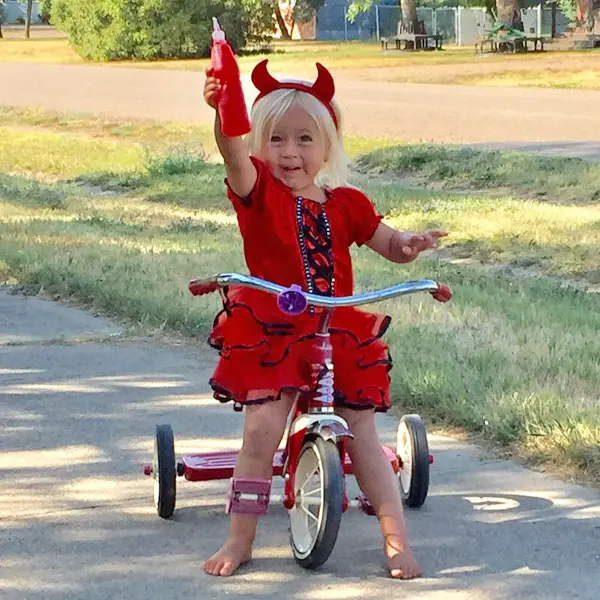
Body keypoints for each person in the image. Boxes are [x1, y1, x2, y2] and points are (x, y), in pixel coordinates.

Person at [202, 58, 447, 579]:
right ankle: (240, 538)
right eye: (276, 140)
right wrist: (225, 113)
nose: (290, 152)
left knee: (361, 427)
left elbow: (389, 245)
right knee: (263, 429)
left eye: (305, 140)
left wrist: (409, 246)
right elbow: (232, 155)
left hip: (336, 328)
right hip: (273, 328)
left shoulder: (347, 205)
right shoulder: (259, 194)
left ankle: (396, 540)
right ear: (258, 146)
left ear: (328, 143)